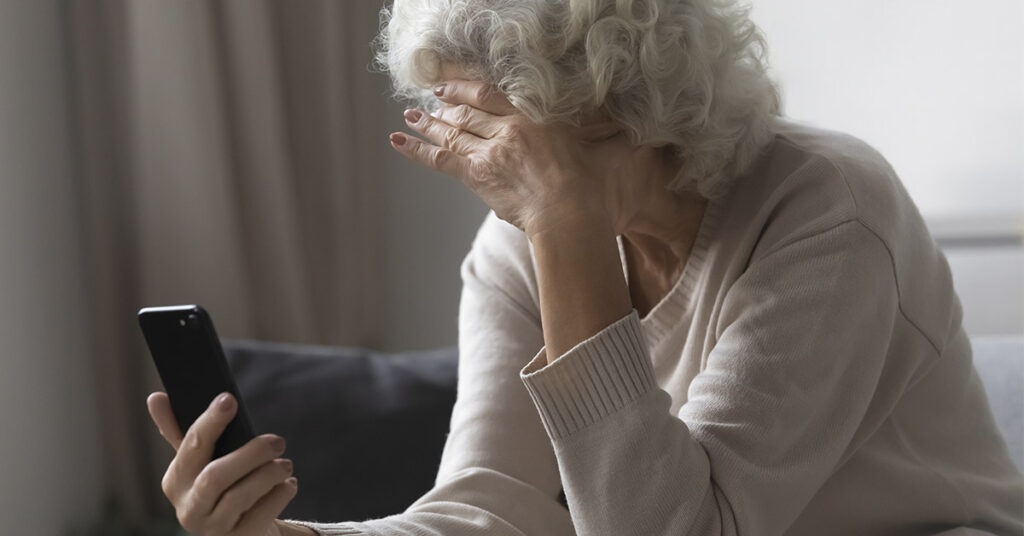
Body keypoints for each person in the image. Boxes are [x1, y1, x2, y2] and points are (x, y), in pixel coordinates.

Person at [146, 0, 1024, 534]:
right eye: (454, 123)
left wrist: (566, 235)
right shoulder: (517, 241)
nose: (474, 164)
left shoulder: (829, 208)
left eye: (498, 133)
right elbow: (489, 512)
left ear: (629, 116)